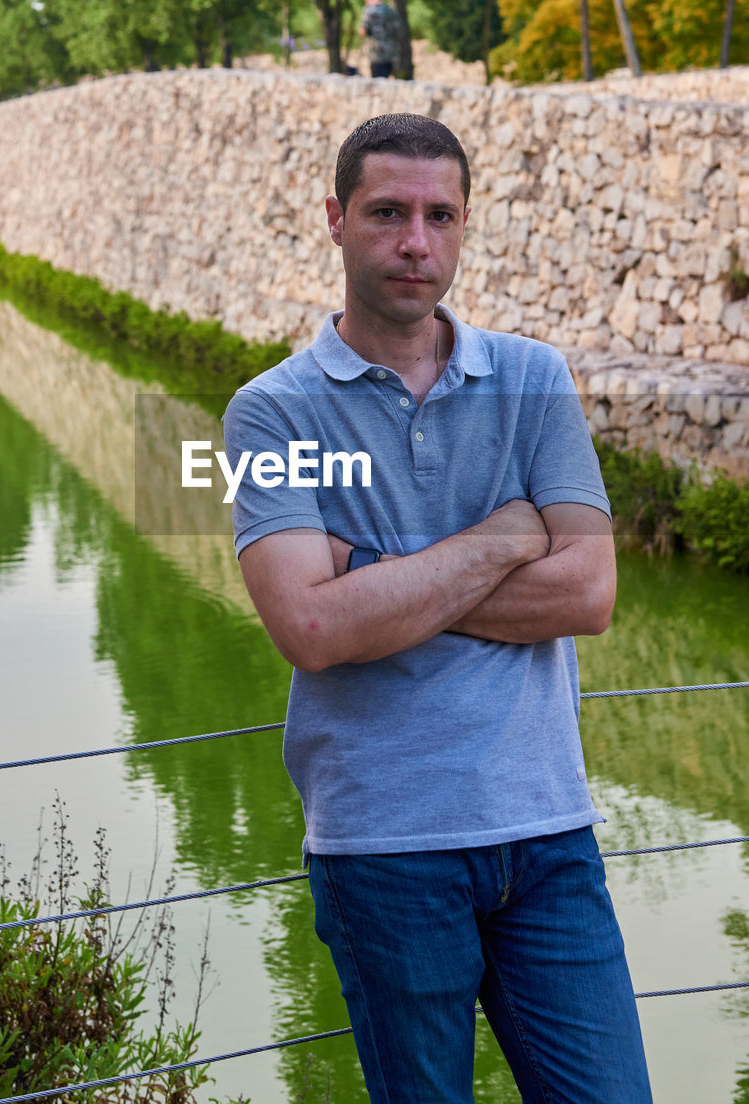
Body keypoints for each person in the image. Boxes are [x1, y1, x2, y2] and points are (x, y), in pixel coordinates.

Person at [221, 113, 652, 1104]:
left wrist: (376, 572)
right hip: (384, 846)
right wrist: (506, 535)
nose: (415, 241)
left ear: (463, 225)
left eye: (438, 215)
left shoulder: (534, 380)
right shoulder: (275, 411)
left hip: (549, 831)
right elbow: (313, 628)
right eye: (386, 212)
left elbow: (589, 590)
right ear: (335, 219)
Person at [359, 0, 401, 79]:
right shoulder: (391, 11)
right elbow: (398, 28)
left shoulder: (368, 11)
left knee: (377, 83)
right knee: (386, 78)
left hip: (376, 53)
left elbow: (363, 30)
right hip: (390, 52)